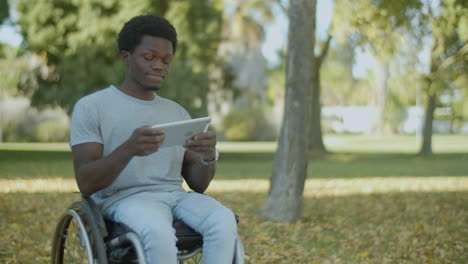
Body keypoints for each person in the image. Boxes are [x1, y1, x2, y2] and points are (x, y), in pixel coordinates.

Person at [70, 15, 243, 264]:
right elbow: (86, 182)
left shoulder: (176, 112)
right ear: (126, 58)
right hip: (123, 198)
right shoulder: (92, 107)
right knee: (157, 231)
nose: (159, 66)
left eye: (166, 60)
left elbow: (198, 185)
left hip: (176, 195)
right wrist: (128, 149)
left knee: (223, 220)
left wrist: (207, 156)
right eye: (149, 57)